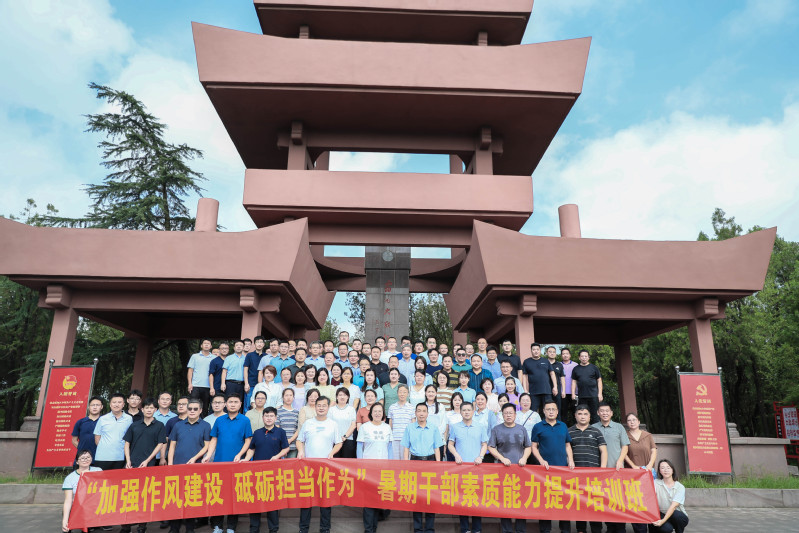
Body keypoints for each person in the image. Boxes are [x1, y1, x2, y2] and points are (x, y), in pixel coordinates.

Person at [204, 394, 252, 533]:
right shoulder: (219, 420)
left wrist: (239, 454)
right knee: (218, 494)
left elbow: (248, 440)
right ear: (226, 404)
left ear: (240, 404)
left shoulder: (245, 420)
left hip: (236, 464)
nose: (233, 404)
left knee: (233, 496)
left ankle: (231, 527)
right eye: (230, 402)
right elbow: (214, 439)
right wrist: (208, 455)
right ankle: (218, 526)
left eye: (236, 402)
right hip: (219, 463)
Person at [296, 396, 343, 533]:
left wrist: (332, 453)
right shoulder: (308, 423)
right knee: (306, 500)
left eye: (324, 405)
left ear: (328, 408)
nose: (321, 408)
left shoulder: (333, 424)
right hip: (308, 468)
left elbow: (339, 442)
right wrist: (300, 451)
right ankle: (303, 528)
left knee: (325, 500)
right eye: (319, 405)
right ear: (315, 407)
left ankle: (325, 528)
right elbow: (299, 440)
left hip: (326, 468)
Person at [121, 398, 167, 533]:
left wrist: (147, 460)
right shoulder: (134, 425)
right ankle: (126, 526)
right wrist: (128, 460)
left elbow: (160, 444)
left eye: (151, 408)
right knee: (128, 496)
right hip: (131, 465)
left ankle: (142, 526)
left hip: (148, 465)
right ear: (142, 409)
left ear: (155, 410)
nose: (149, 410)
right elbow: (127, 443)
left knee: (145, 497)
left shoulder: (159, 426)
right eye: (146, 407)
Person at [167, 399, 212, 533]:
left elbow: (207, 446)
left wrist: (195, 458)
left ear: (200, 410)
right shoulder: (178, 425)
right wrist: (170, 464)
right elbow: (172, 445)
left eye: (195, 409)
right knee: (176, 498)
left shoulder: (205, 425)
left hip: (195, 467)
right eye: (190, 408)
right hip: (177, 466)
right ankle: (174, 528)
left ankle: (190, 528)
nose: (192, 411)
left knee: (191, 498)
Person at [530, 401, 574, 533]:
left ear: (557, 411)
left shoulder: (563, 426)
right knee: (545, 500)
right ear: (543, 411)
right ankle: (545, 529)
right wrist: (541, 460)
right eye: (548, 409)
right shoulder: (538, 426)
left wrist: (571, 460)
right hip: (545, 470)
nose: (551, 411)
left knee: (564, 499)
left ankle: (565, 529)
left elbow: (567, 445)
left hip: (562, 469)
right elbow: (534, 447)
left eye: (553, 409)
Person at [489, 403, 533, 533]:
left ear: (515, 414)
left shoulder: (521, 429)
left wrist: (524, 458)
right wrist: (502, 458)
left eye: (511, 413)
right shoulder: (496, 429)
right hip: (503, 471)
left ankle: (520, 529)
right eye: (506, 413)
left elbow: (528, 446)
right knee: (505, 501)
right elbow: (491, 447)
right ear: (502, 415)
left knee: (521, 500)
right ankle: (506, 529)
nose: (508, 415)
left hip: (520, 470)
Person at [245, 407, 289, 533]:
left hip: (273, 473)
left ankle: (273, 529)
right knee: (255, 501)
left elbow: (286, 448)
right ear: (263, 417)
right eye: (266, 416)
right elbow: (252, 448)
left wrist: (277, 456)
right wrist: (246, 459)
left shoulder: (280, 432)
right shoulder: (257, 432)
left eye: (271, 416)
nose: (269, 418)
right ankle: (254, 528)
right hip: (257, 473)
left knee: (272, 502)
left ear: (275, 418)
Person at [402, 403, 442, 533]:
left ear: (427, 414)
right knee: (417, 496)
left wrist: (438, 465)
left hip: (430, 462)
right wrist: (406, 465)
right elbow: (406, 448)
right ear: (415, 413)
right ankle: (418, 528)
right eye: (419, 411)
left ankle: (429, 528)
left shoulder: (433, 428)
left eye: (424, 411)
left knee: (430, 496)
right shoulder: (409, 428)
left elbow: (437, 448)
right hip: (415, 462)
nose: (421, 413)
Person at [449, 401, 488, 533]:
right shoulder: (455, 427)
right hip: (461, 468)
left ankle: (477, 529)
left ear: (473, 411)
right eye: (464, 410)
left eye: (468, 410)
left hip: (476, 468)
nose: (466, 412)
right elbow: (450, 444)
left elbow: (484, 444)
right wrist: (456, 455)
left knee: (476, 499)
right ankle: (465, 528)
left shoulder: (480, 426)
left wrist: (481, 457)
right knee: (462, 499)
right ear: (460, 412)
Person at [569, 405, 607, 533]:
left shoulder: (596, 431)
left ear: (590, 416)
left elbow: (604, 451)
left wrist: (602, 469)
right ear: (575, 416)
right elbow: (567, 450)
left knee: (594, 504)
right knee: (580, 504)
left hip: (594, 476)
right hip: (576, 476)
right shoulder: (569, 431)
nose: (582, 416)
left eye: (585, 414)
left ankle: (597, 530)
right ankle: (581, 530)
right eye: (580, 414)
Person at [593, 402, 629, 533]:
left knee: (618, 500)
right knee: (604, 501)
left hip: (617, 471)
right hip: (600, 472)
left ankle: (621, 528)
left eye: (607, 411)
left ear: (611, 413)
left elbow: (625, 446)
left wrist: (620, 460)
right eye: (602, 411)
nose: (605, 413)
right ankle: (610, 528)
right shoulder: (593, 428)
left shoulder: (619, 427)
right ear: (598, 413)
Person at [357, 402, 393, 533]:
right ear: (371, 413)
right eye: (375, 411)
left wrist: (390, 465)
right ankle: (368, 529)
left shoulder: (387, 427)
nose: (377, 413)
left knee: (379, 497)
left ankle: (375, 526)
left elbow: (390, 447)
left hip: (383, 469)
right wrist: (360, 465)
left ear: (383, 414)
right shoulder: (365, 427)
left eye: (380, 411)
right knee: (368, 499)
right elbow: (359, 447)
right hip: (368, 468)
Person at [61, 450, 102, 532]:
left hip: (94, 506)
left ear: (91, 459)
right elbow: (68, 500)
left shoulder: (98, 471)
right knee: (67, 526)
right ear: (77, 462)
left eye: (88, 457)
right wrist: (65, 520)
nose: (85, 459)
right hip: (78, 507)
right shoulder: (70, 478)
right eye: (82, 458)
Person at [93, 393, 133, 471]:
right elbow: (97, 438)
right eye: (114, 402)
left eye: (119, 402)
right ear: (110, 404)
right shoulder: (103, 419)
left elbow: (129, 438)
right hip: (102, 457)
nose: (116, 405)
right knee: (101, 478)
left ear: (123, 404)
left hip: (120, 457)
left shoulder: (129, 419)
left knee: (117, 478)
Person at [651, 459, 689, 533]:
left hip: (677, 516)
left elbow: (673, 506)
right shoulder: (655, 483)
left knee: (676, 514)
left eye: (668, 468)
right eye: (662, 468)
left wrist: (662, 521)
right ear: (659, 471)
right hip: (662, 513)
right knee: (667, 529)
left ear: (672, 470)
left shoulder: (680, 487)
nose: (666, 470)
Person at [522, 343, 557, 414]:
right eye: (534, 349)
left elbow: (552, 373)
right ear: (531, 351)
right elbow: (524, 376)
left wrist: (555, 387)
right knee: (533, 411)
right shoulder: (526, 362)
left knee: (548, 409)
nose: (536, 351)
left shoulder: (546, 361)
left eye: (537, 349)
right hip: (533, 391)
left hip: (546, 390)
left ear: (540, 350)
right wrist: (525, 389)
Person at [571, 350, 603, 424]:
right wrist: (573, 393)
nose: (584, 358)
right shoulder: (576, 369)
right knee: (583, 415)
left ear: (588, 357)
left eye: (586, 356)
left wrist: (600, 394)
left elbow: (599, 380)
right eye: (582, 356)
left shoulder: (594, 368)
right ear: (579, 358)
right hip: (582, 396)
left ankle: (595, 430)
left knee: (595, 415)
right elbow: (574, 381)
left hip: (593, 395)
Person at [71, 396, 103, 465]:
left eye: (97, 405)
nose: (95, 407)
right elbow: (74, 440)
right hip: (82, 459)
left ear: (101, 407)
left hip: (100, 458)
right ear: (89, 407)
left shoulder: (105, 422)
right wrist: (83, 451)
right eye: (92, 405)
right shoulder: (80, 422)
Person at [625, 412, 658, 477]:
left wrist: (650, 465)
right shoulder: (624, 436)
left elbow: (654, 451)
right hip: (631, 470)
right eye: (629, 420)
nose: (632, 422)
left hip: (647, 469)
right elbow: (623, 454)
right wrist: (633, 466)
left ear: (639, 422)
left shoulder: (647, 435)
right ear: (627, 423)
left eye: (634, 420)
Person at [187, 339, 215, 415]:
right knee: (193, 405)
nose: (206, 345)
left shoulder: (214, 358)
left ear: (211, 346)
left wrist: (212, 387)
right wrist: (190, 384)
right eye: (205, 343)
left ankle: (203, 421)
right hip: (195, 385)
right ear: (201, 345)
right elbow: (190, 370)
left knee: (205, 407)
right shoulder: (195, 356)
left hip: (208, 386)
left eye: (208, 343)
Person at [388, 384, 415, 460]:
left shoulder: (412, 407)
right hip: (394, 438)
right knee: (395, 461)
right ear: (397, 393)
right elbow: (390, 423)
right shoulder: (392, 407)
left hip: (406, 439)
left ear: (408, 394)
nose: (402, 394)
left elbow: (413, 424)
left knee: (406, 461)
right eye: (400, 392)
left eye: (404, 392)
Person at [329, 387, 357, 458]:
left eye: (344, 395)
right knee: (334, 461)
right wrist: (337, 438)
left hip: (348, 439)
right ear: (336, 397)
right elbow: (329, 425)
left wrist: (345, 436)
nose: (342, 397)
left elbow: (353, 425)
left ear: (348, 397)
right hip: (334, 440)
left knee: (347, 462)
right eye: (340, 395)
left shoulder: (351, 409)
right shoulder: (331, 410)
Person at [243, 336, 267, 411]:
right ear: (254, 344)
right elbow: (245, 369)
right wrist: (246, 383)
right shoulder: (249, 355)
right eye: (257, 342)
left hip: (263, 384)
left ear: (263, 344)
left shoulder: (266, 356)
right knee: (248, 405)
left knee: (262, 404)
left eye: (261, 342)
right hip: (251, 384)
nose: (259, 344)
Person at [276, 388, 300, 457]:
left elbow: (298, 429)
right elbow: (277, 428)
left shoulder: (297, 412)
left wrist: (290, 440)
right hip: (280, 446)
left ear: (293, 398)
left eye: (290, 395)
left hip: (293, 446)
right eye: (286, 395)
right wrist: (284, 442)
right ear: (282, 397)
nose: (288, 398)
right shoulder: (278, 411)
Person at [545, 346, 566, 420]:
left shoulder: (559, 365)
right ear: (547, 353)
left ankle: (558, 423)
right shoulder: (544, 363)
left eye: (554, 352)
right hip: (546, 390)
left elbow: (562, 378)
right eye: (550, 352)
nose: (552, 353)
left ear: (556, 354)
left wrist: (563, 390)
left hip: (557, 390)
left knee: (557, 408)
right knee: (547, 408)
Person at [560, 348, 578, 427]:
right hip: (563, 393)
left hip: (574, 393)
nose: (565, 355)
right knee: (563, 412)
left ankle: (576, 428)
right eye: (563, 354)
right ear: (561, 355)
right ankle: (564, 429)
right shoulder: (558, 365)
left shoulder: (576, 365)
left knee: (575, 412)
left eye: (567, 353)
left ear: (570, 355)